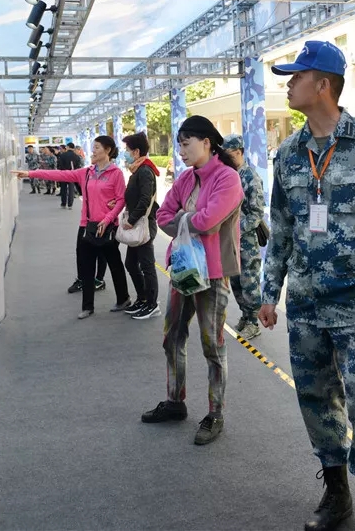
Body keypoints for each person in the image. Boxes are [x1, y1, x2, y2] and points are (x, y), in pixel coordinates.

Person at [259, 40, 355, 531]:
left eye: (297, 76)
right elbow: (280, 227)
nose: (289, 85)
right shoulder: (288, 153)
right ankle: (337, 494)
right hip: (306, 304)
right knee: (317, 401)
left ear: (323, 84)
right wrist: (269, 292)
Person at [141, 116, 243, 446]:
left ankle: (215, 413)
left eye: (186, 144)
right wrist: (188, 220)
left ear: (207, 143)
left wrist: (182, 218)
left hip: (212, 273)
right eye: (180, 145)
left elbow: (210, 222)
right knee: (171, 337)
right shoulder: (186, 178)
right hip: (183, 269)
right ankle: (175, 400)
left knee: (212, 345)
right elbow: (162, 216)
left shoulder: (227, 178)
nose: (181, 151)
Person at [15, 136, 131, 319]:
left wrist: (108, 219)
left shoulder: (116, 173)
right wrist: (31, 174)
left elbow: (121, 199)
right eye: (93, 147)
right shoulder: (86, 172)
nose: (93, 151)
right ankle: (87, 307)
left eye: (97, 147)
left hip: (108, 227)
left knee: (115, 265)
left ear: (108, 150)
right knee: (86, 267)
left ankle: (123, 299)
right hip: (87, 226)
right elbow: (59, 175)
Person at [221, 133, 266, 340]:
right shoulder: (229, 175)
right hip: (231, 240)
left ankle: (253, 322)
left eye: (229, 154)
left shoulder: (250, 178)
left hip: (246, 240)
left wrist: (237, 229)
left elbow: (257, 213)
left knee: (249, 282)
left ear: (239, 152)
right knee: (236, 282)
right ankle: (245, 316)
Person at [120, 132, 162, 319]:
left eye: (127, 150)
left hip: (143, 224)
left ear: (136, 152)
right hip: (137, 223)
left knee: (147, 265)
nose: (125, 153)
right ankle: (143, 298)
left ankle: (152, 304)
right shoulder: (137, 170)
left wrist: (131, 220)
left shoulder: (145, 171)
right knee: (131, 263)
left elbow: (145, 199)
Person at [56, 143, 82, 209]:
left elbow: (60, 165)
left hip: (64, 174)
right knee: (71, 190)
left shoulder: (62, 155)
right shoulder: (77, 156)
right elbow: (78, 167)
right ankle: (70, 205)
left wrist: (63, 171)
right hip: (72, 174)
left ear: (67, 147)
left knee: (63, 189)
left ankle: (63, 204)